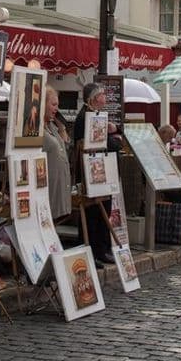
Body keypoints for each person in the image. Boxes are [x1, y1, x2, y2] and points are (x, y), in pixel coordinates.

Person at [72, 83, 121, 265]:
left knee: (102, 210)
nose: (105, 97)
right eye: (101, 94)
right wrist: (115, 140)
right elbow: (103, 143)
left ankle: (101, 249)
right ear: (93, 98)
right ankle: (92, 250)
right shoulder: (86, 116)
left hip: (99, 168)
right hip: (89, 171)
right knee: (92, 212)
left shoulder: (94, 115)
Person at [41, 88, 73, 220]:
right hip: (48, 190)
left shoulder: (52, 127)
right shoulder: (37, 129)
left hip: (60, 189)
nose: (56, 109)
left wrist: (62, 127)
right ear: (43, 104)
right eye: (53, 105)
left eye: (57, 105)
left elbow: (65, 146)